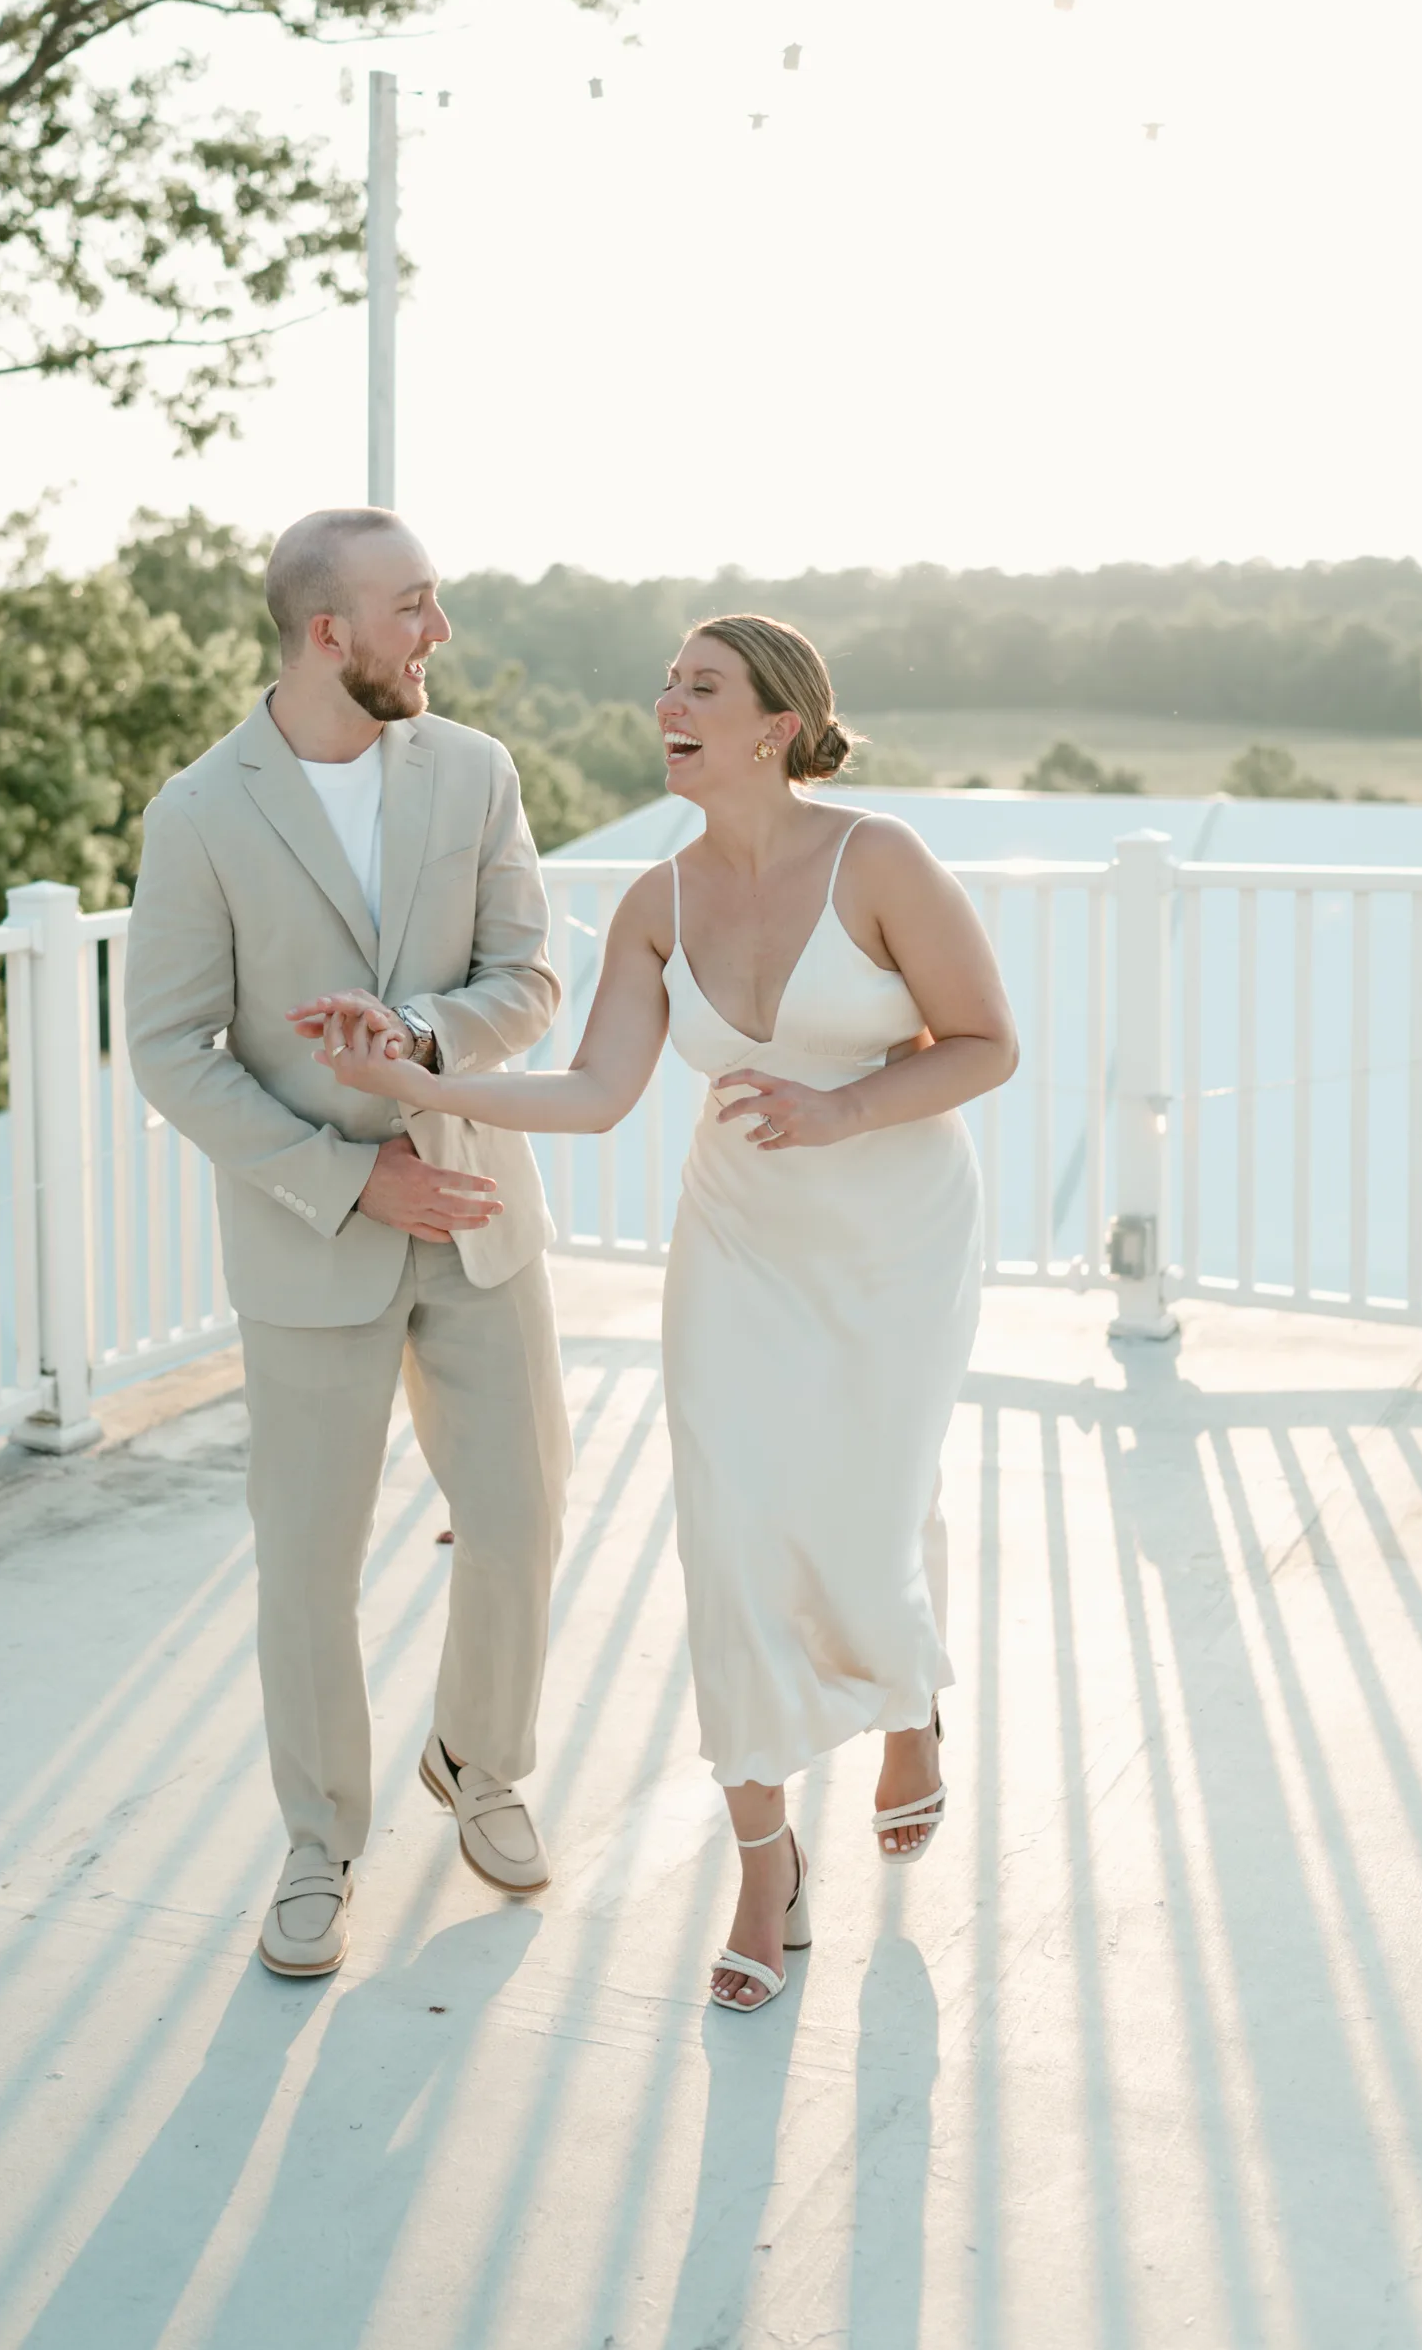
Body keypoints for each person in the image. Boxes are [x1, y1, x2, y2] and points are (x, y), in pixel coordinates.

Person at [310, 613, 1017, 2012]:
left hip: (897, 1240)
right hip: (740, 1241)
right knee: (732, 1536)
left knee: (869, 1522)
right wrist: (423, 1082)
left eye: (701, 687)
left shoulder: (878, 859)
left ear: (776, 719)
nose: (666, 705)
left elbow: (988, 1041)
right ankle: (766, 1864)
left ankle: (909, 1698)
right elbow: (590, 1092)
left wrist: (842, 1105)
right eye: (665, 685)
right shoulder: (655, 900)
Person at [126, 508, 573, 1979]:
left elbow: (531, 974)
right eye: (415, 606)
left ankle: (483, 1763)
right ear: (332, 634)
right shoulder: (200, 810)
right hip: (314, 1238)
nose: (438, 631)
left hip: (481, 1215)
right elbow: (169, 1049)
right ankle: (320, 1842)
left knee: (517, 1517)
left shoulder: (479, 771)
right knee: (308, 1564)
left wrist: (430, 1037)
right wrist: (343, 1174)